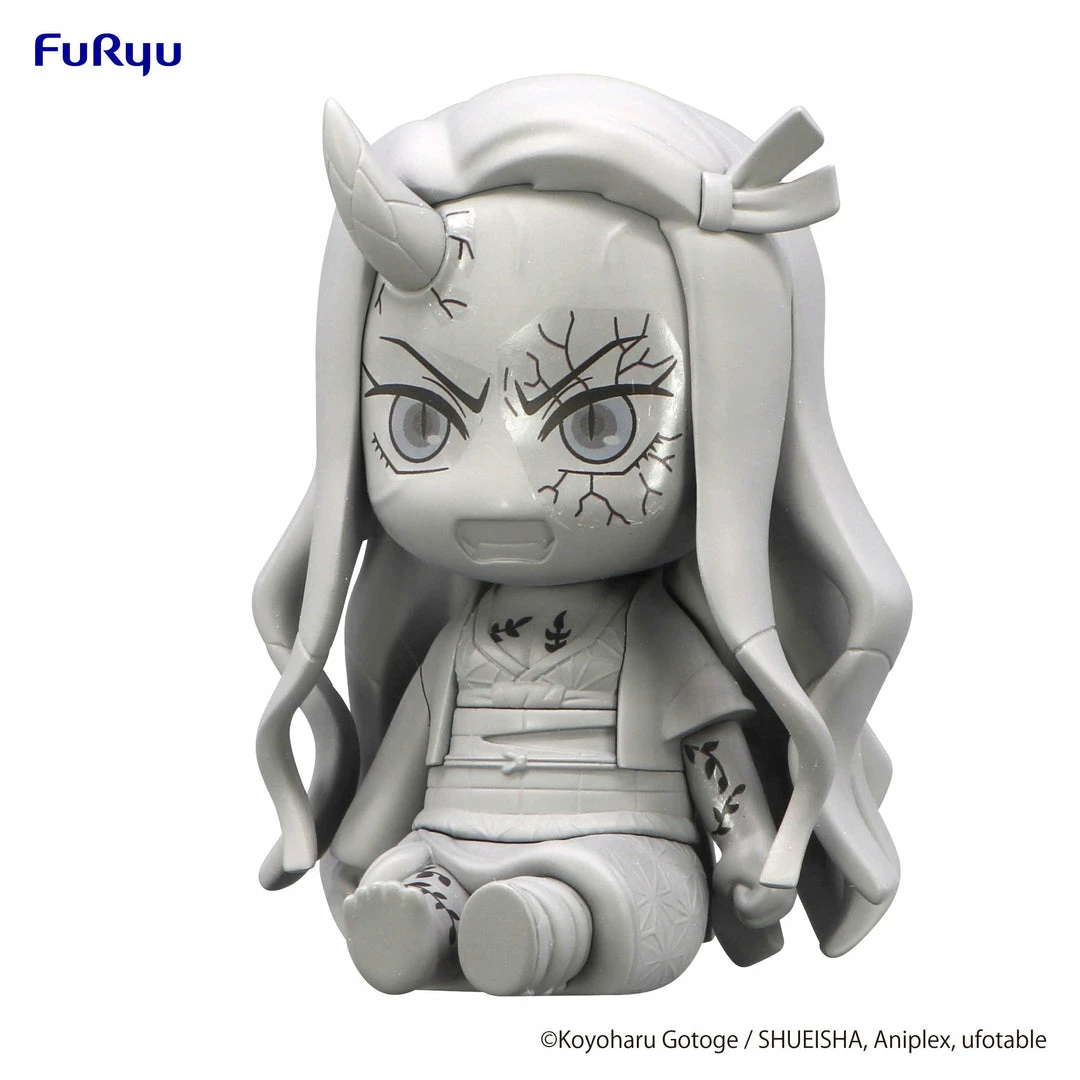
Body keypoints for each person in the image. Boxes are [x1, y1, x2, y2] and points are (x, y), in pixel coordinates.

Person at [253, 75, 911, 995]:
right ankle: (423, 921)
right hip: (448, 837)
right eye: (421, 423)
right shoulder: (455, 648)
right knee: (413, 873)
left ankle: (538, 929)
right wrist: (366, 849)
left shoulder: (659, 641)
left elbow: (716, 769)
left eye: (599, 423)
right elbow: (401, 767)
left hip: (619, 843)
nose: (497, 491)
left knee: (606, 899)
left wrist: (747, 854)